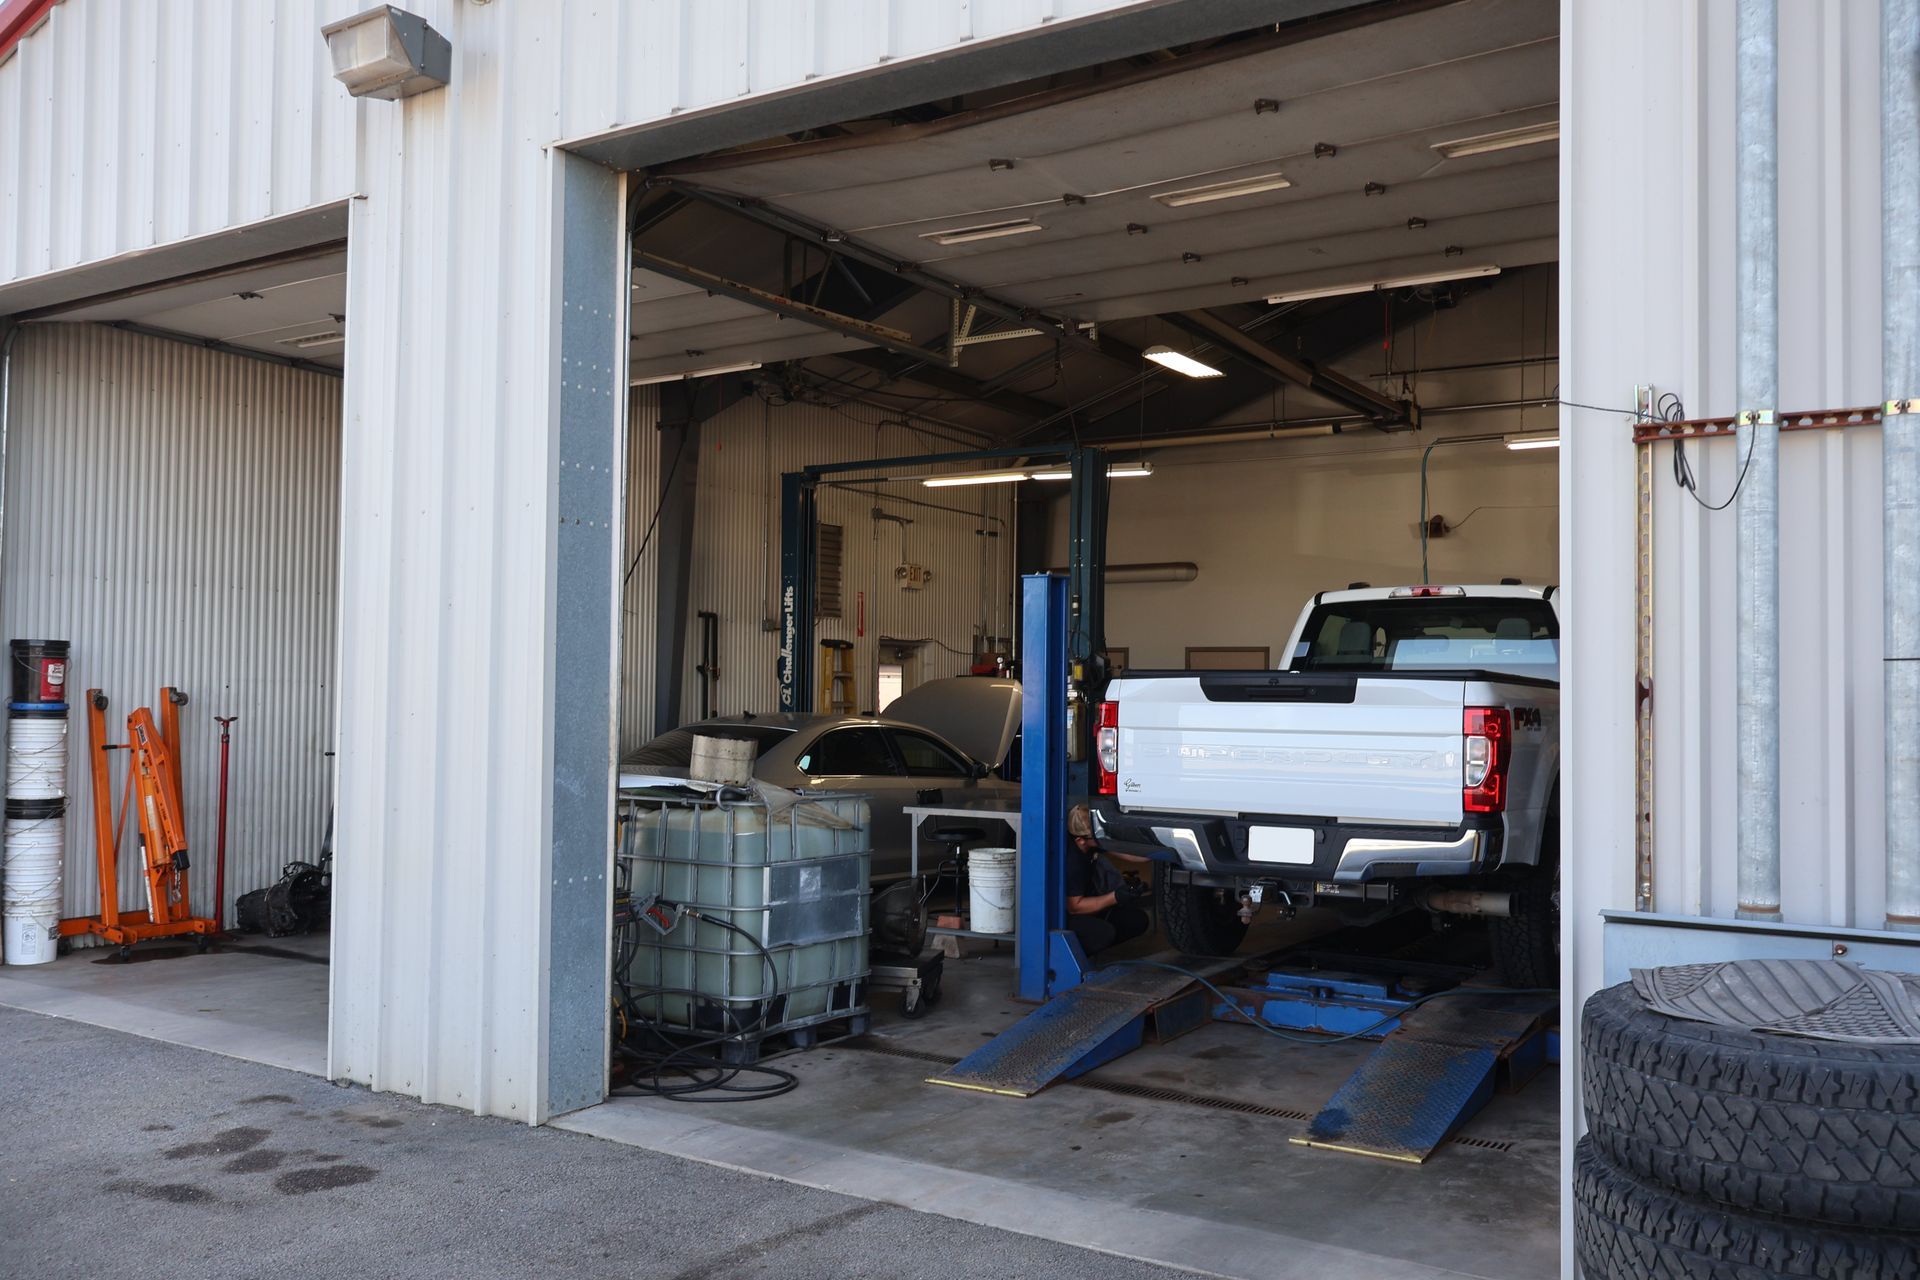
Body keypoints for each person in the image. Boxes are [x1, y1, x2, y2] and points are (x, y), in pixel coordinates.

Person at [1064, 804, 1152, 956]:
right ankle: (1078, 955)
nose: (1100, 837)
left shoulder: (1091, 842)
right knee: (1103, 935)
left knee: (1138, 920)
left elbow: (1126, 853)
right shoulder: (1073, 862)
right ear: (1080, 840)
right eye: (1096, 836)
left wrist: (1159, 853)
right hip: (1070, 916)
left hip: (1089, 905)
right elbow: (1074, 907)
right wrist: (1116, 897)